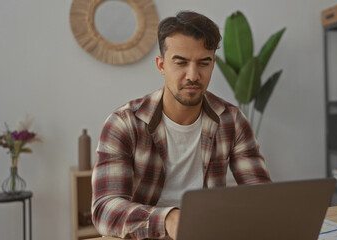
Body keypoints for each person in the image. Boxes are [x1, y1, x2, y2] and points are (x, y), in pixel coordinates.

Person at [91, 11, 271, 240]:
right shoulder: (123, 123)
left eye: (203, 63)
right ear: (161, 65)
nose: (193, 75)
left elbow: (262, 197)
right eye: (181, 63)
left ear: (213, 64)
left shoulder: (232, 120)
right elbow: (105, 209)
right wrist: (169, 219)